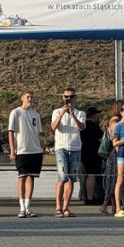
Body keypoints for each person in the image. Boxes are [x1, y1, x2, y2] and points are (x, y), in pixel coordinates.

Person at [51, 87, 86, 218]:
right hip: (61, 147)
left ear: (75, 98)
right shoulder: (56, 112)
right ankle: (58, 207)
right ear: (63, 97)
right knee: (62, 178)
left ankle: (66, 207)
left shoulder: (80, 113)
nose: (68, 99)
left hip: (75, 148)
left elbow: (82, 127)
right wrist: (61, 114)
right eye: (66, 97)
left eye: (71, 97)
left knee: (71, 179)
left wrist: (72, 115)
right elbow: (53, 127)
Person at [8, 91, 43, 218]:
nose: (30, 99)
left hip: (35, 150)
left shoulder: (35, 114)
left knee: (31, 177)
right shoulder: (16, 112)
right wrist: (12, 150)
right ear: (22, 98)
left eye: (31, 97)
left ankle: (28, 207)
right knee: (21, 177)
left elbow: (37, 132)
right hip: (22, 150)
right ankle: (21, 207)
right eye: (27, 97)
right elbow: (11, 132)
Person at [80, 106, 103, 205]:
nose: (99, 117)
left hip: (83, 153)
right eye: (97, 114)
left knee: (86, 175)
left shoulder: (83, 126)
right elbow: (101, 138)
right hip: (92, 154)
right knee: (92, 175)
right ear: (93, 115)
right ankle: (90, 197)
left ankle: (85, 195)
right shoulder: (93, 126)